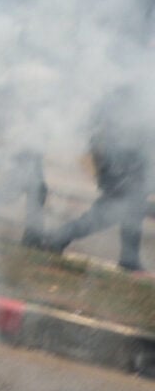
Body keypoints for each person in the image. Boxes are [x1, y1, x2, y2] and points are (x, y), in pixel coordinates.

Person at [25, 94, 150, 272]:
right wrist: (113, 171)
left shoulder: (133, 101)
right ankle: (56, 238)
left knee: (131, 212)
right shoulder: (126, 104)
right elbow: (107, 139)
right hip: (123, 171)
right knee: (107, 213)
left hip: (129, 171)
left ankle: (129, 259)